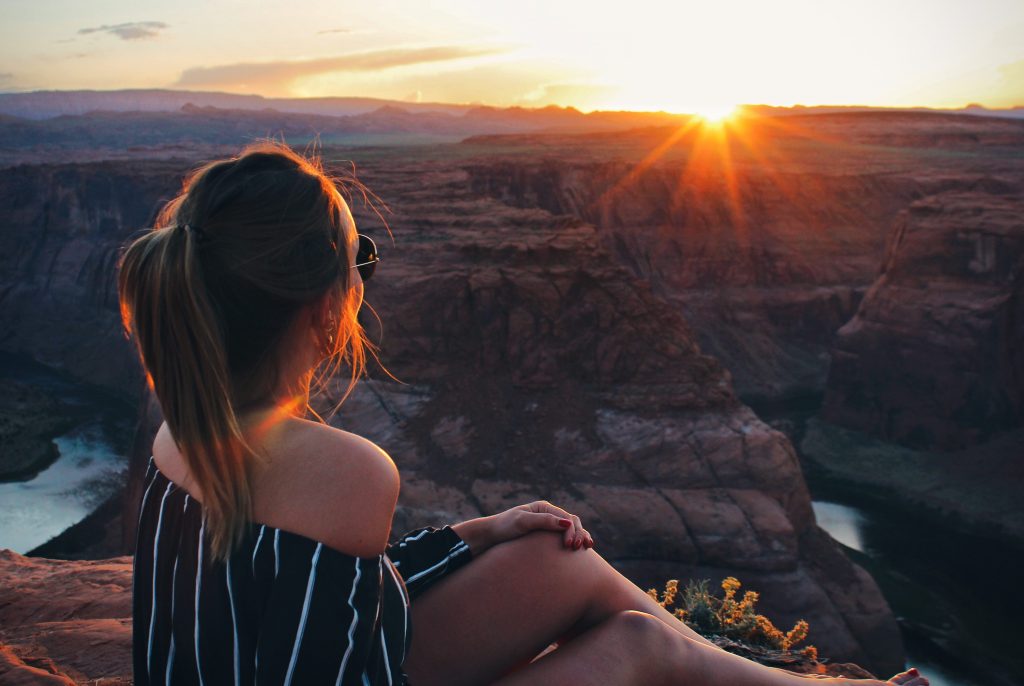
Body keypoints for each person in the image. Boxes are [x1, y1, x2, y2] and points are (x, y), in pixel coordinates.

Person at [119, 141, 928, 686]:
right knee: (639, 645)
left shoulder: (181, 424)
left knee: (552, 556)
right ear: (325, 305)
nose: (368, 274)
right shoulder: (343, 470)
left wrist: (478, 533)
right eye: (360, 254)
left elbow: (319, 595)